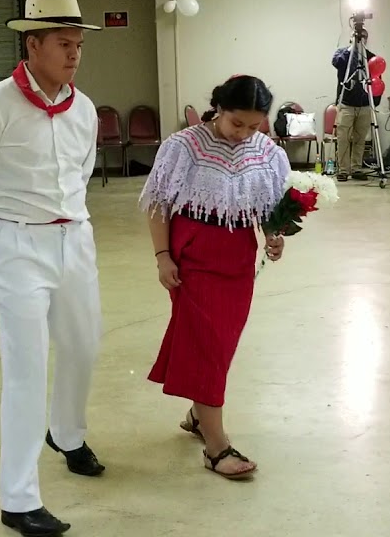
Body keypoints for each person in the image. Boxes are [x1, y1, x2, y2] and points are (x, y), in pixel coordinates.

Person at [0, 0, 105, 537]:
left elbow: (81, 173)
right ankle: (18, 498)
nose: (74, 55)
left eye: (79, 45)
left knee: (84, 345)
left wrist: (70, 228)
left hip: (73, 238)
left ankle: (65, 432)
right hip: (15, 245)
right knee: (25, 369)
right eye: (64, 44)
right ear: (32, 44)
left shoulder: (83, 109)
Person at [139, 75, 290, 481]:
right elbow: (157, 205)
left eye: (253, 126)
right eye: (235, 123)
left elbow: (269, 206)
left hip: (238, 258)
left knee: (222, 344)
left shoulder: (266, 151)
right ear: (219, 110)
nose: (243, 134)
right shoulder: (183, 147)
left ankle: (198, 413)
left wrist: (274, 238)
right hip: (192, 255)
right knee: (205, 344)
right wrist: (162, 256)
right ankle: (217, 447)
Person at [330, 34, 382, 181]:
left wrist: (374, 102)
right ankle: (343, 170)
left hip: (364, 104)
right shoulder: (342, 54)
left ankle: (356, 168)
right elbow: (336, 62)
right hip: (346, 103)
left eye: (363, 37)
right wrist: (352, 48)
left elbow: (377, 80)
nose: (361, 40)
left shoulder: (371, 57)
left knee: (360, 139)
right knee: (343, 138)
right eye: (357, 37)